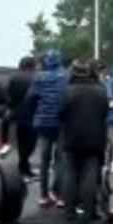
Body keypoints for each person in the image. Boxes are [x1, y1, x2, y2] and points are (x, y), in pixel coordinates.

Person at [59, 59, 110, 221]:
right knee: (90, 173)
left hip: (72, 137)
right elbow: (105, 112)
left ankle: (69, 210)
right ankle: (89, 210)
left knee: (71, 173)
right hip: (95, 137)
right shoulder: (101, 90)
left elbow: (60, 114)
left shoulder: (68, 91)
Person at [27, 50, 68, 207]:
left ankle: (44, 195)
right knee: (60, 159)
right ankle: (58, 194)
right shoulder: (66, 77)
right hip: (61, 122)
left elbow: (30, 98)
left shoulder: (39, 77)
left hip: (43, 123)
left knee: (44, 160)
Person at [5, 55, 38, 179]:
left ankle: (23, 166)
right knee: (31, 143)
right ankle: (24, 166)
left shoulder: (14, 78)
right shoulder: (36, 78)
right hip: (34, 114)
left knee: (21, 142)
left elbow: (8, 98)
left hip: (19, 115)